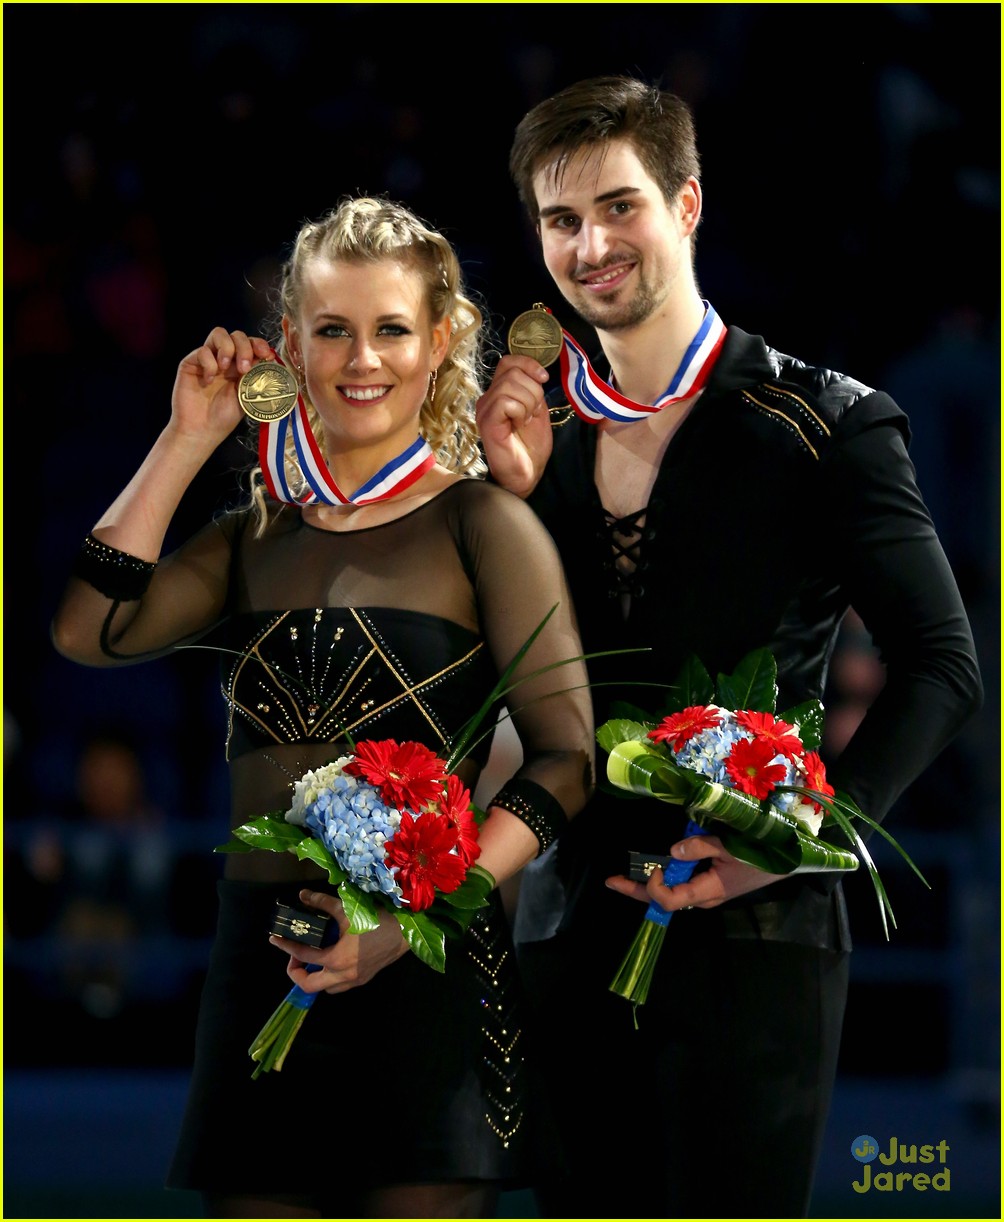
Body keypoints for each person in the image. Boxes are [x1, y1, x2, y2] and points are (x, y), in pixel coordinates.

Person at [475, 75, 983, 1219]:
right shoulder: (524, 437)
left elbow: (943, 664)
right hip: (564, 930)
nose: (589, 245)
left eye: (618, 207)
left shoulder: (826, 421)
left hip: (755, 937)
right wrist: (499, 508)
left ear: (687, 203)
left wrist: (799, 845)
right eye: (559, 221)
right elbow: (499, 690)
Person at [51, 194, 595, 1219]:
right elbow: (90, 629)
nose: (362, 359)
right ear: (290, 344)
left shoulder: (486, 523)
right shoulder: (250, 536)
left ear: (438, 342)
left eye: (391, 328)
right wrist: (181, 439)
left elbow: (564, 759)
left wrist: (408, 917)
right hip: (261, 957)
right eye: (332, 328)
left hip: (428, 961)